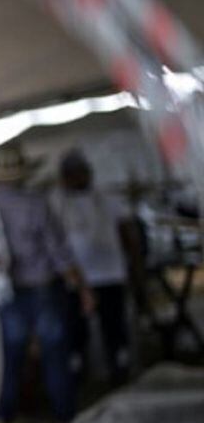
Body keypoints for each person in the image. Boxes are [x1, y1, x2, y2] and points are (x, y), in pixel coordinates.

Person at [0, 147, 94, 423]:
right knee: (55, 353)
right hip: (42, 286)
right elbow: (59, 252)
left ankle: (3, 419)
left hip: (7, 291)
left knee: (10, 355)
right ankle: (66, 418)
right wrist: (81, 288)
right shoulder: (37, 204)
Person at [49, 150, 140, 386]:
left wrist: (134, 264)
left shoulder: (107, 199)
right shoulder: (56, 202)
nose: (77, 178)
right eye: (71, 174)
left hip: (110, 273)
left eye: (81, 173)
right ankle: (79, 373)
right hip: (76, 278)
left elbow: (127, 231)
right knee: (76, 329)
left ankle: (120, 369)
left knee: (114, 325)